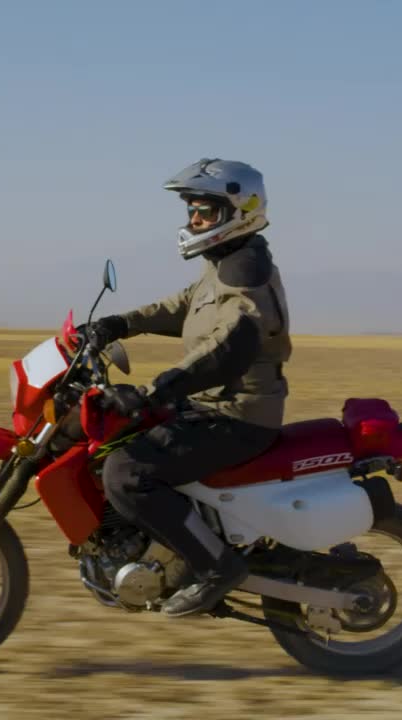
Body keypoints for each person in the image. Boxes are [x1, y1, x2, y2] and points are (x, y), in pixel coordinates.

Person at [84, 158, 292, 618]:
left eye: (204, 212)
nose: (193, 221)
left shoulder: (246, 270)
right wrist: (117, 324)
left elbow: (229, 347)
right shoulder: (227, 262)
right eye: (192, 211)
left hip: (238, 417)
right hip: (212, 407)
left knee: (128, 474)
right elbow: (182, 306)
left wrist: (160, 388)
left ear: (240, 210)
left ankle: (216, 567)